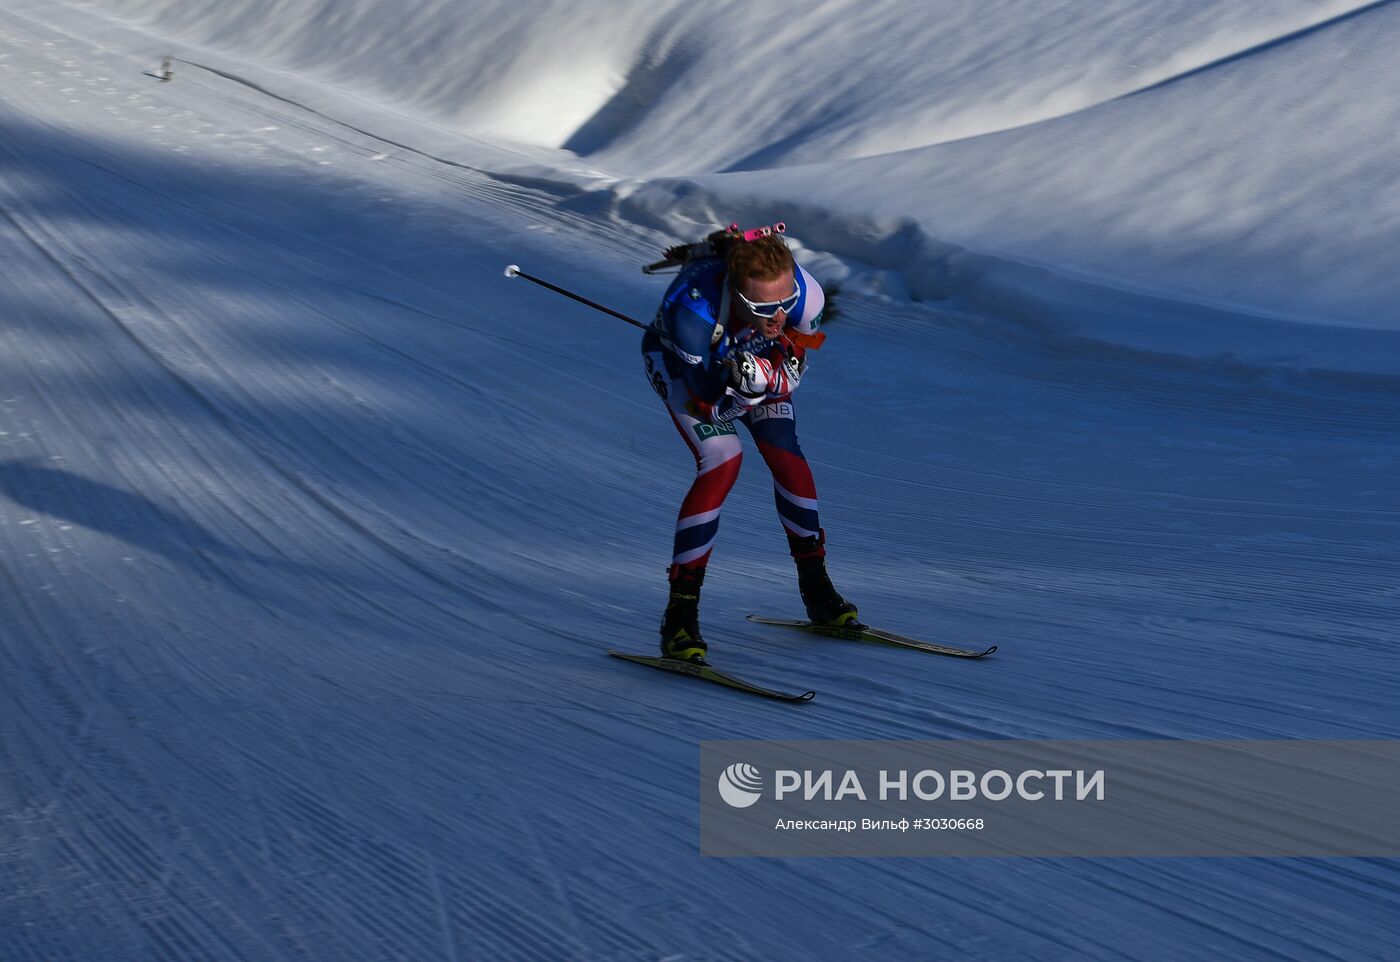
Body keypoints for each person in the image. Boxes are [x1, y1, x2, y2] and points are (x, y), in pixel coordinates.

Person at [641, 228, 858, 664]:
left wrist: (771, 376)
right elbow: (711, 403)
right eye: (763, 307)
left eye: (784, 302)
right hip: (688, 369)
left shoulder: (805, 294)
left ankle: (817, 588)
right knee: (723, 460)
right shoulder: (692, 313)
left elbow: (798, 347)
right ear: (735, 292)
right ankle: (679, 614)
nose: (777, 315)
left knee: (785, 453)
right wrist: (745, 391)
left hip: (749, 358)